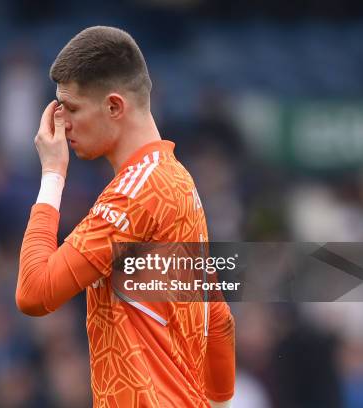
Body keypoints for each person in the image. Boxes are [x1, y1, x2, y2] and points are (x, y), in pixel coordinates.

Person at [16, 26, 235, 407]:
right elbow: (218, 321)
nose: (61, 123)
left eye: (72, 108)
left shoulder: (134, 194)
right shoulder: (178, 182)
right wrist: (220, 400)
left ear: (114, 106)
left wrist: (52, 174)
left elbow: (34, 293)